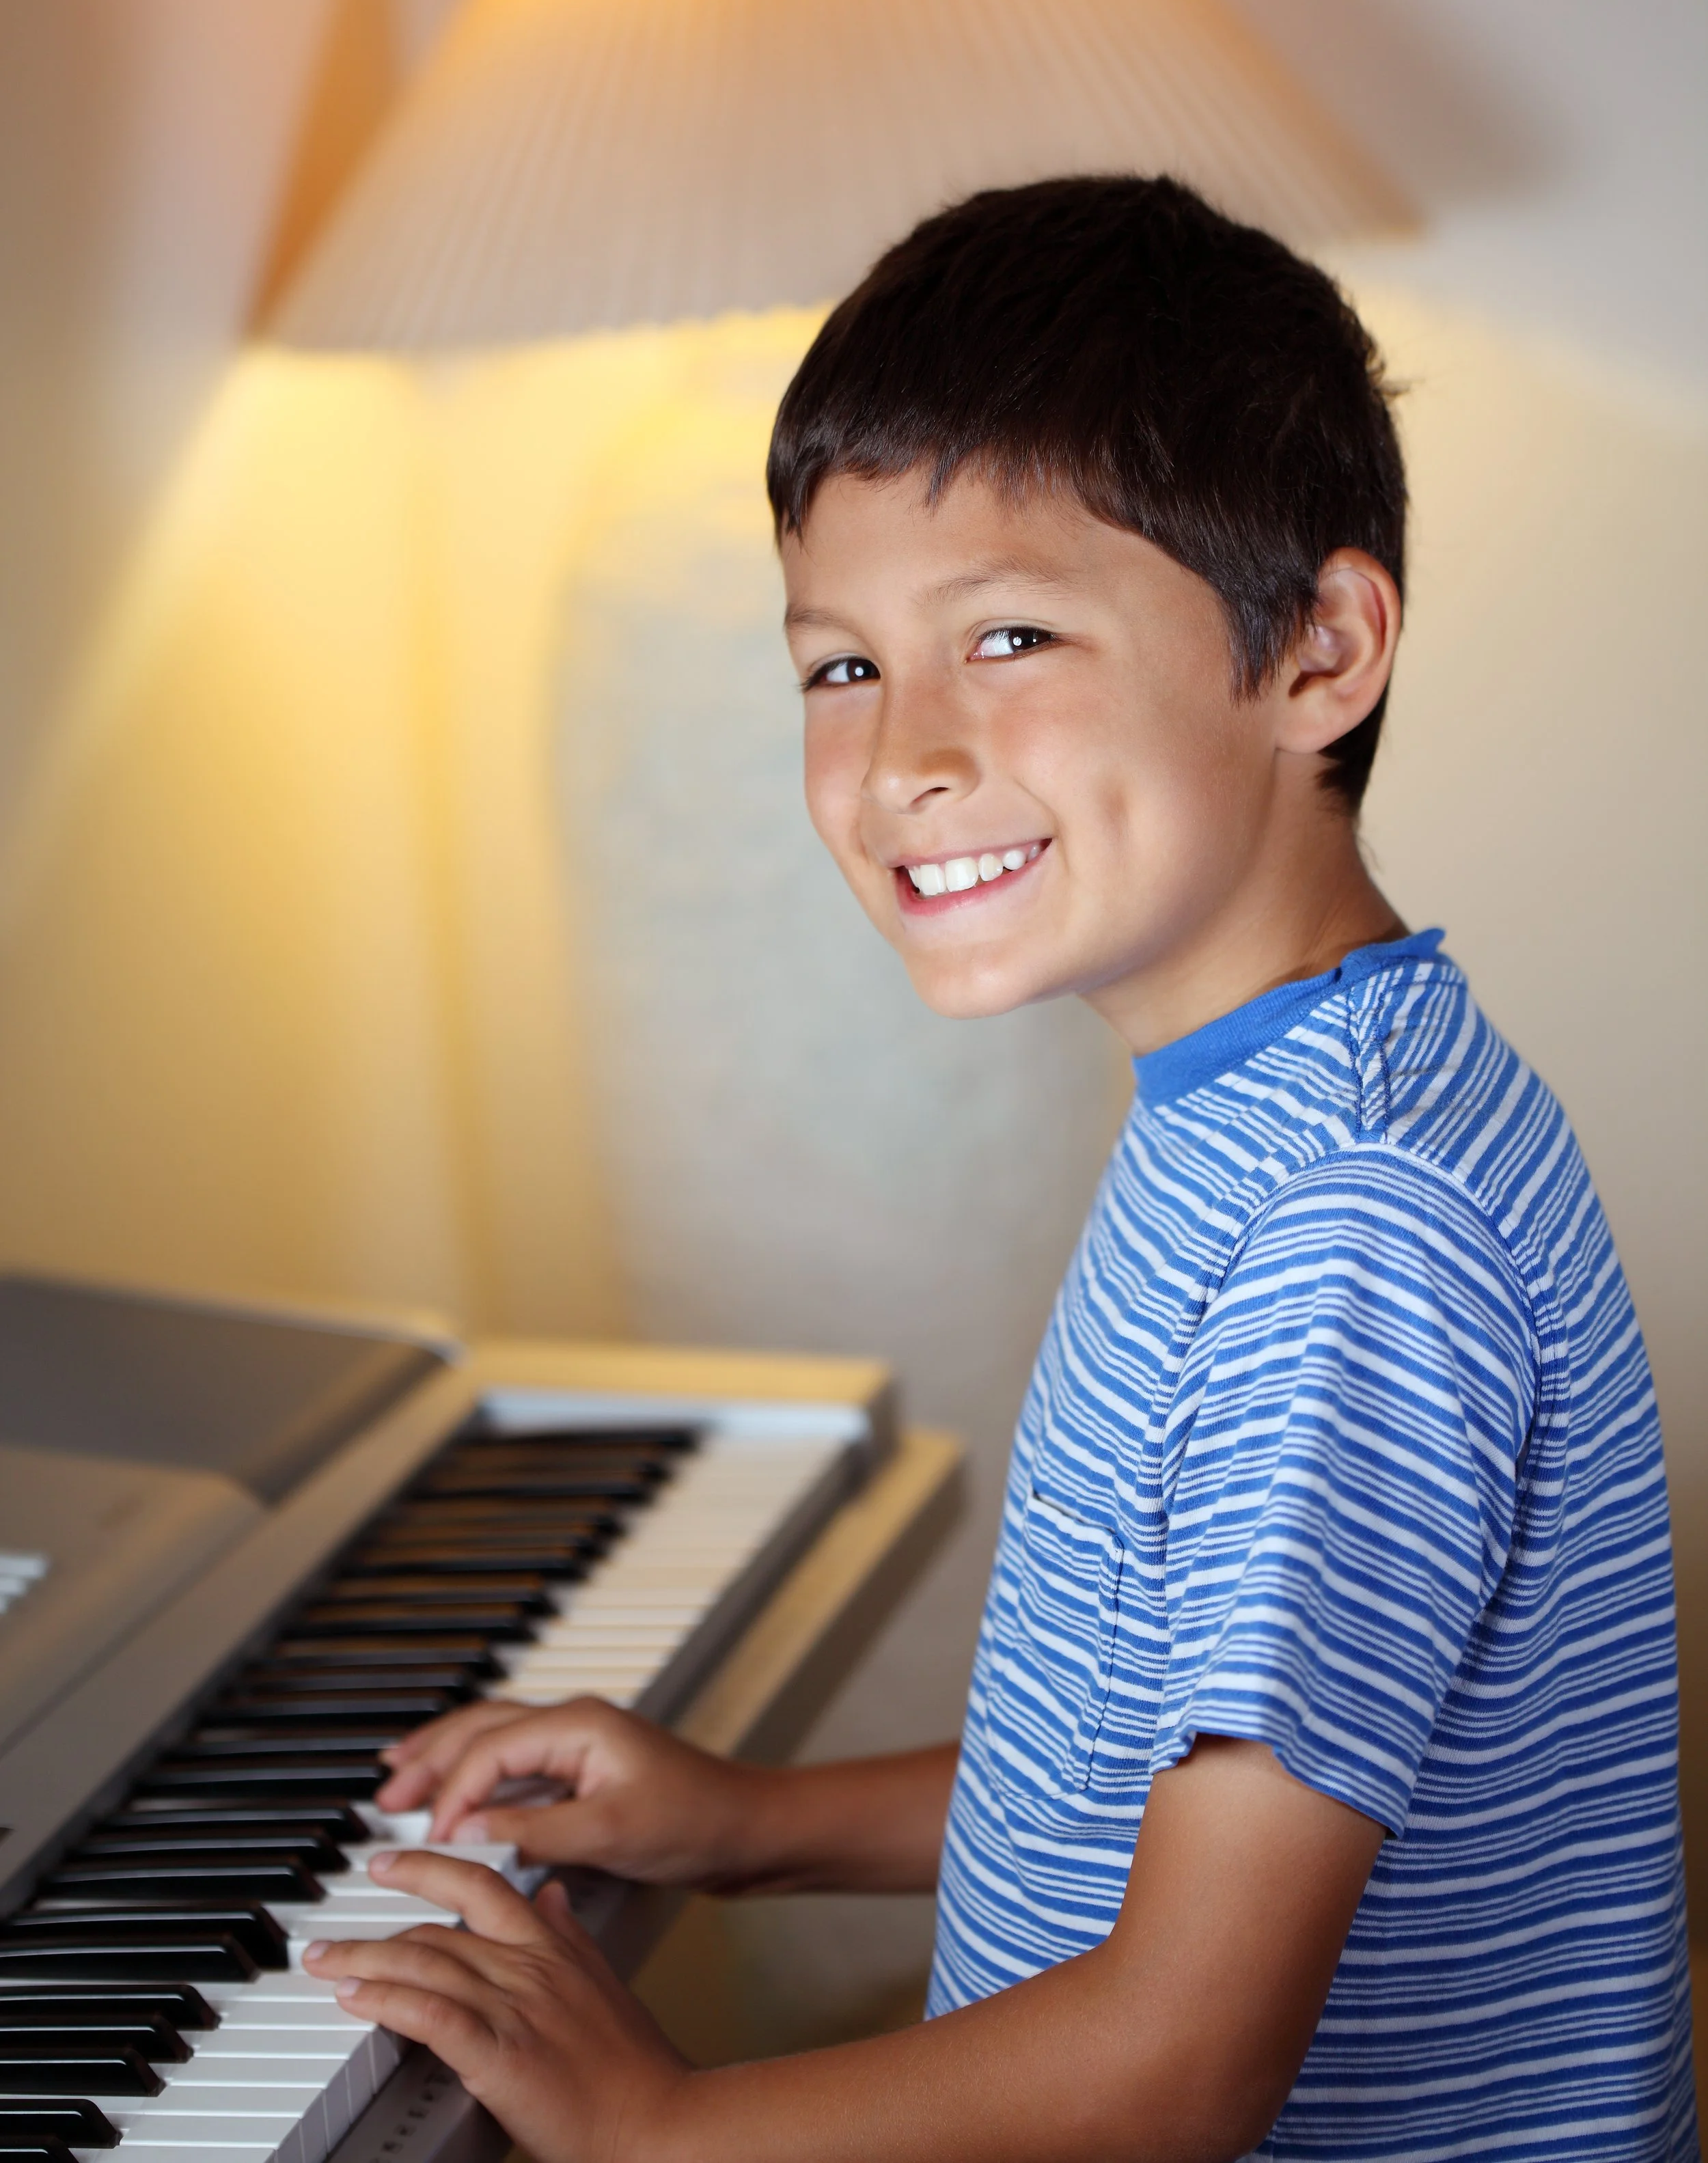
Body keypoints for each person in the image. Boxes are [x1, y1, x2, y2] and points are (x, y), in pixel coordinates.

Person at [305, 176, 1696, 2160]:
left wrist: (658, 2126)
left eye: (1009, 635)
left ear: (1318, 647)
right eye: (840, 664)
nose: (900, 759)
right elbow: (1158, 1785)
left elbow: (1178, 2059)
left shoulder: (1348, 1231)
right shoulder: (1285, 1103)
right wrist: (741, 1820)